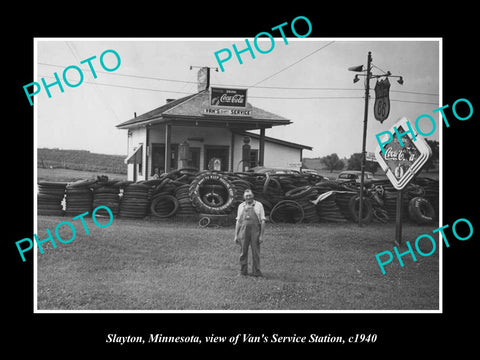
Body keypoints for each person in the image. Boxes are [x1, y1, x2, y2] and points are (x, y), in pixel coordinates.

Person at [234, 189, 266, 277]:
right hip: (243, 232)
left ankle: (257, 272)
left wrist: (261, 236)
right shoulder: (241, 206)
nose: (248, 197)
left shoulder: (259, 205)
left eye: (250, 195)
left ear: (253, 195)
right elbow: (238, 222)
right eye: (246, 196)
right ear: (244, 197)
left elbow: (263, 221)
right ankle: (242, 271)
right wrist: (236, 235)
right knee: (243, 252)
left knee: (256, 252)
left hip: (255, 232)